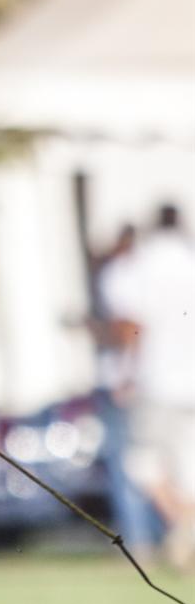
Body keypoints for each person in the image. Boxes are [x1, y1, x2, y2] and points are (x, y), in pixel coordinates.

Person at [101, 205, 195, 569]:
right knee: (186, 469)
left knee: (142, 464)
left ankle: (185, 527)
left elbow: (131, 325)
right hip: (189, 384)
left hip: (157, 383)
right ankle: (184, 528)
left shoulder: (140, 266)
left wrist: (125, 373)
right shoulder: (189, 260)